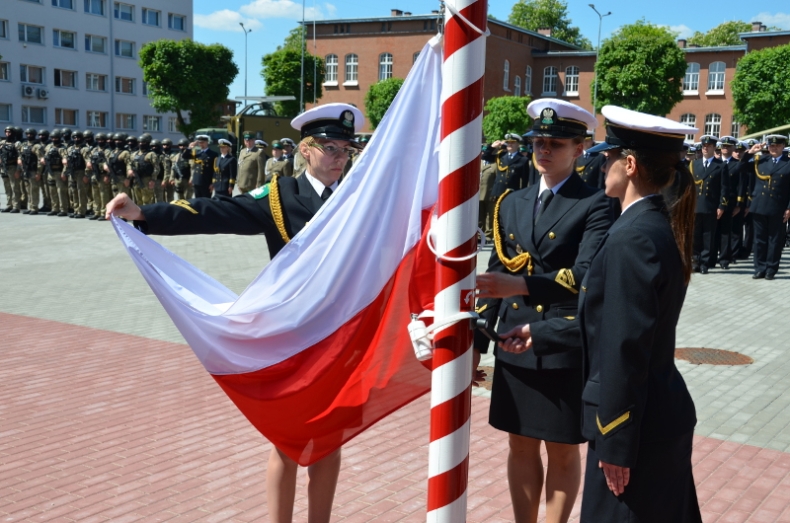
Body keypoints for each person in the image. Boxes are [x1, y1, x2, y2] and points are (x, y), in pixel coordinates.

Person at [105, 103, 364, 523]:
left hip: (340, 336)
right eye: (330, 148)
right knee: (287, 441)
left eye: (345, 150)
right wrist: (144, 214)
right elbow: (219, 211)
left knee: (330, 440)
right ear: (306, 150)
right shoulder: (281, 195)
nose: (338, 158)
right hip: (294, 336)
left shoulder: (358, 198)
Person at [498, 105, 702, 523]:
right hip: (653, 420)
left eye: (608, 156)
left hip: (635, 430)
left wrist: (615, 442)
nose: (602, 163)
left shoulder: (632, 237)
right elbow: (613, 325)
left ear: (629, 165)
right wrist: (545, 334)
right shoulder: (649, 225)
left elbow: (626, 348)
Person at [474, 99, 611, 523]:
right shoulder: (512, 201)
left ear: (580, 148)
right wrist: (477, 340)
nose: (543, 150)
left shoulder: (595, 203)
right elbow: (497, 272)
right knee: (519, 444)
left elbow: (587, 275)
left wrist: (523, 285)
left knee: (563, 449)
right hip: (514, 342)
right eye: (538, 141)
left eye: (555, 143)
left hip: (561, 340)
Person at [738, 135, 790, 279]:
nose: (774, 148)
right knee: (759, 239)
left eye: (777, 146)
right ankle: (759, 268)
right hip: (759, 205)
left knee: (775, 240)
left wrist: (789, 208)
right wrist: (751, 152)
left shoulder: (788, 163)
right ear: (767, 147)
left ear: (783, 146)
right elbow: (740, 167)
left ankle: (771, 269)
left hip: (778, 207)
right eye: (771, 146)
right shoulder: (760, 160)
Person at [690, 135, 728, 274]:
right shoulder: (695, 164)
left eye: (709, 146)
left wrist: (721, 206)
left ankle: (705, 263)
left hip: (711, 206)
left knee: (708, 237)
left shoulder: (721, 165)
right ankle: (695, 261)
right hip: (696, 206)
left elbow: (724, 188)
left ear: (714, 148)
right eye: (704, 146)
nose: (705, 148)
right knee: (695, 235)